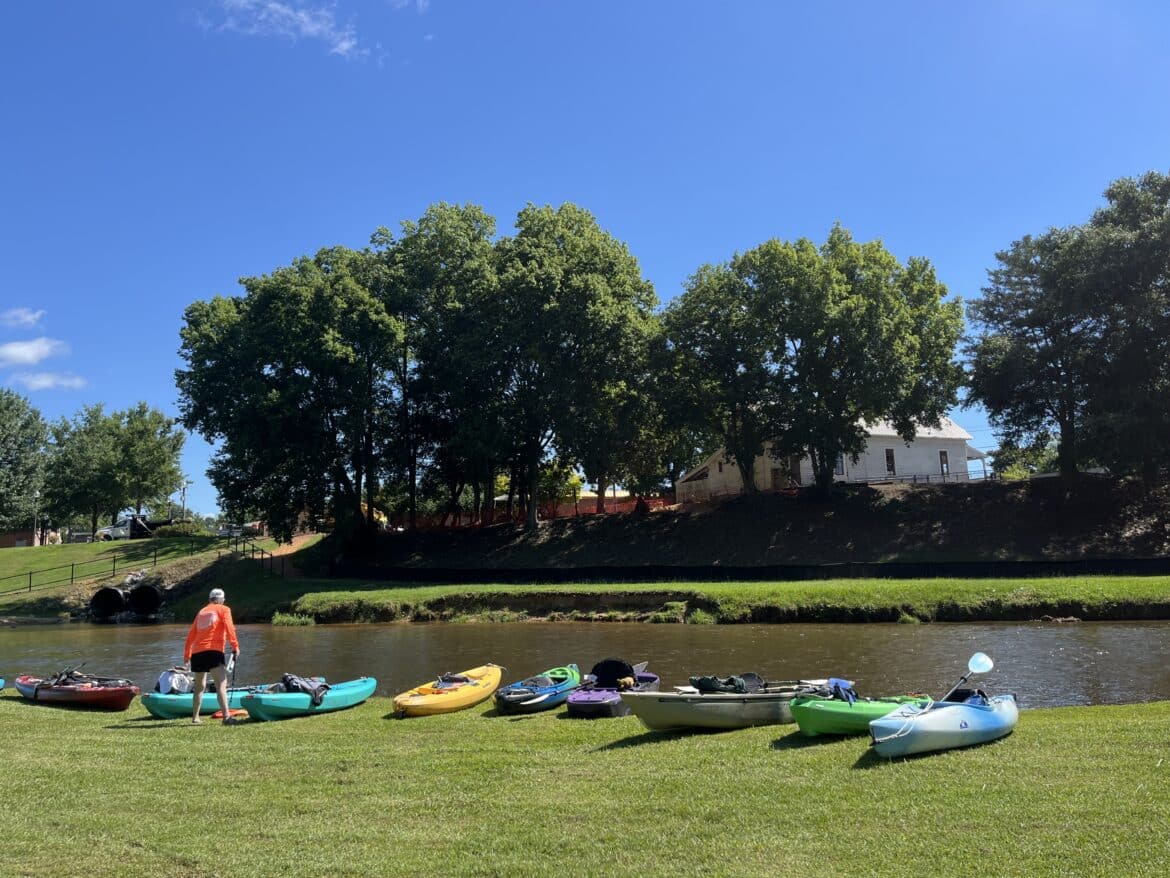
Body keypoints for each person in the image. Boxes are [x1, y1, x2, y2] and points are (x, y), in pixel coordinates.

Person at [184, 587, 241, 725]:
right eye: (223, 599)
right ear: (220, 599)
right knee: (221, 684)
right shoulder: (224, 609)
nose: (224, 601)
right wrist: (235, 646)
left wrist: (187, 654)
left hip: (197, 653)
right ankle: (226, 717)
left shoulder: (201, 612)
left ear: (210, 599)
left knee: (199, 686)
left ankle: (195, 718)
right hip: (214, 650)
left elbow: (191, 634)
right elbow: (230, 628)